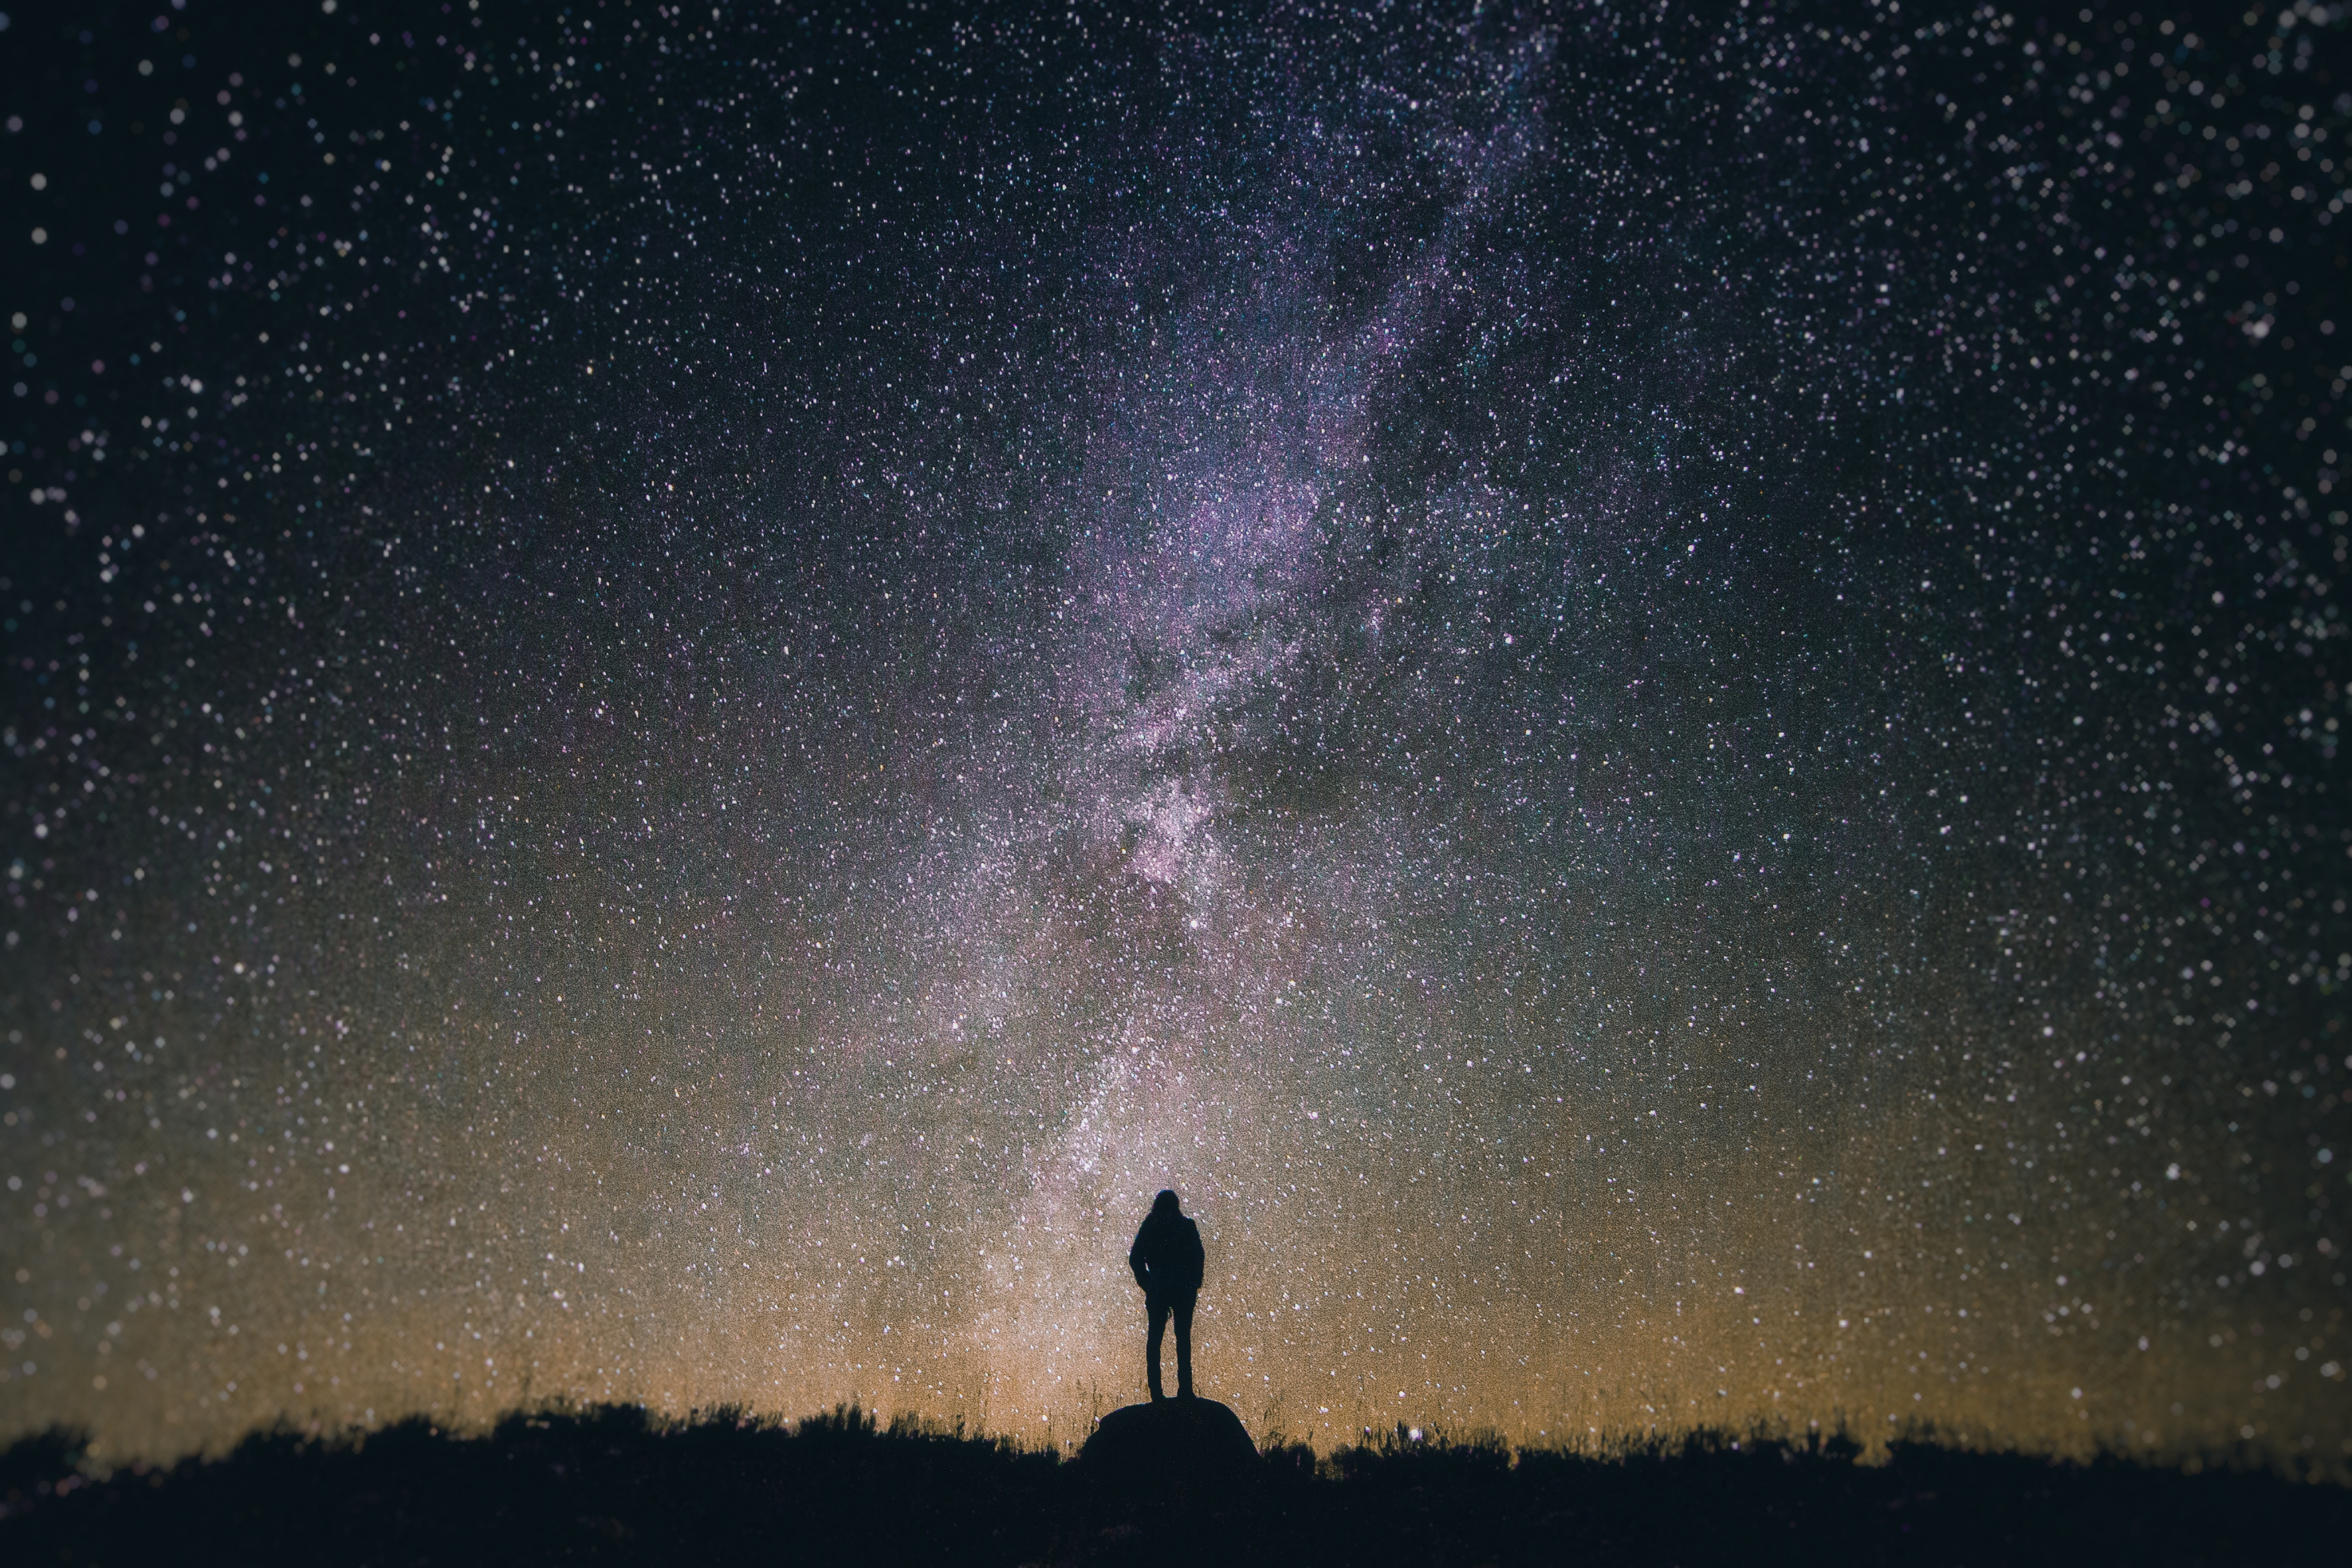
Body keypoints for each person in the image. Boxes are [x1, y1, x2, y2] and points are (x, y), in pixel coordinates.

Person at [1127, 1189, 1205, 1401]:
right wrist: (1194, 1282)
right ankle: (1185, 1391)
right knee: (1182, 1339)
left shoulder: (1151, 1226)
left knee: (1155, 1340)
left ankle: (1157, 1394)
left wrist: (1148, 1284)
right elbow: (1198, 1257)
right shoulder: (1186, 1226)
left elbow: (1135, 1258)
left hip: (1159, 1287)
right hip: (1181, 1288)